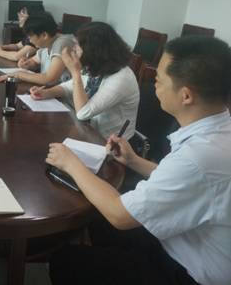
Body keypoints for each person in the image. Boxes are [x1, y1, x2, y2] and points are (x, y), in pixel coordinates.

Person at [47, 35, 231, 285]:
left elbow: (120, 215)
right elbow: (191, 183)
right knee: (96, 221)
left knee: (66, 260)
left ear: (186, 96)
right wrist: (134, 161)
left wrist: (71, 164)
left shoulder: (199, 155)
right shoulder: (218, 129)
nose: (155, 85)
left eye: (159, 79)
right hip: (184, 236)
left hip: (189, 270)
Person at [30, 22, 138, 139]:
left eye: (77, 45)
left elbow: (83, 113)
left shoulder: (121, 78)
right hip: (89, 131)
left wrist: (75, 72)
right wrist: (47, 93)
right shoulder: (98, 66)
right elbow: (68, 87)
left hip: (110, 142)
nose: (74, 49)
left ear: (93, 50)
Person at [0, 13, 74, 85]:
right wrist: (27, 64)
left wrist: (18, 75)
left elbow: (50, 79)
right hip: (48, 91)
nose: (30, 41)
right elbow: (34, 62)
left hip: (65, 95)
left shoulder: (63, 43)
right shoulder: (47, 43)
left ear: (44, 35)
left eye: (30, 37)